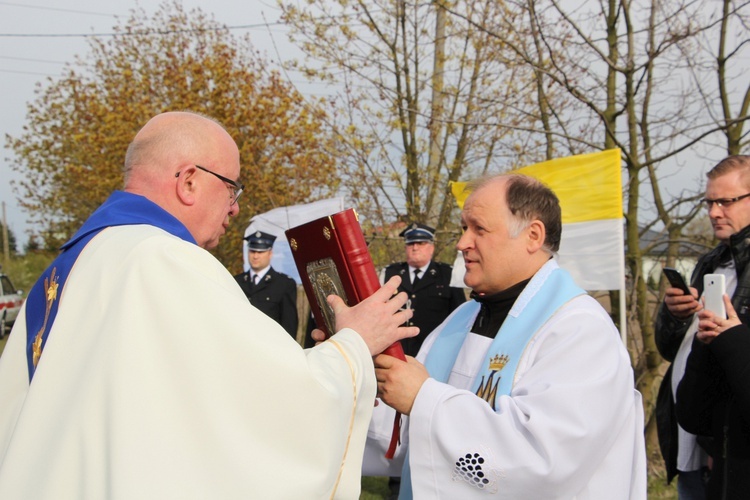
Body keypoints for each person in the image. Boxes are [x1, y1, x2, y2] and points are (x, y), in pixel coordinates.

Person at [0, 111, 418, 499]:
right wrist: (355, 344)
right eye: (231, 187)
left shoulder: (70, 266)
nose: (235, 208)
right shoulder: (161, 258)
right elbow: (271, 402)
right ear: (188, 181)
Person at [357, 174, 647, 498]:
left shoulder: (579, 329)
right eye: (464, 228)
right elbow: (404, 437)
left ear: (532, 235)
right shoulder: (461, 319)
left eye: (478, 229)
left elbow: (542, 461)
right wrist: (356, 357)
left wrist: (425, 399)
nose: (462, 243)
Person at [672, 156, 750, 500]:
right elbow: (673, 350)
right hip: (702, 442)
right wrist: (674, 317)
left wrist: (730, 338)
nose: (714, 212)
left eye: (726, 201)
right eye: (710, 202)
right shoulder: (711, 263)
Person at [382, 222, 466, 357]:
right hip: (397, 352)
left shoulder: (447, 274)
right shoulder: (390, 273)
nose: (415, 248)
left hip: (434, 353)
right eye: (410, 244)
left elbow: (460, 318)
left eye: (421, 243)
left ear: (431, 247)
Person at [235, 231, 298, 339]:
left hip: (269, 345)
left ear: (270, 253)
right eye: (252, 251)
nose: (255, 256)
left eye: (260, 252)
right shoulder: (237, 281)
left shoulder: (284, 284)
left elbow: (289, 324)